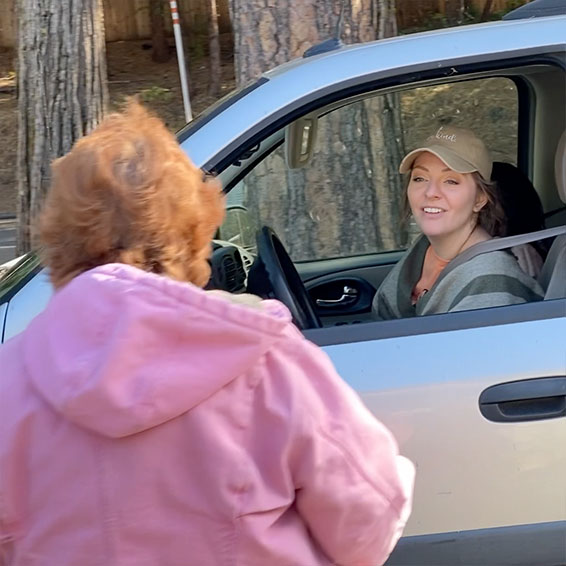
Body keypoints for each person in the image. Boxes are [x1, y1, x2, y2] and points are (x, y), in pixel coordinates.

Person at [0, 101, 414, 566]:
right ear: (194, 231)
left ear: (59, 236)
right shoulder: (267, 359)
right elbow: (367, 525)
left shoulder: (9, 380)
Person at [373, 125, 544, 320]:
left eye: (451, 181)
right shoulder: (422, 249)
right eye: (420, 178)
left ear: (480, 199)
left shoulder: (489, 280)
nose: (430, 192)